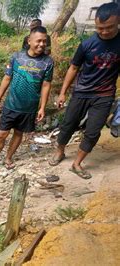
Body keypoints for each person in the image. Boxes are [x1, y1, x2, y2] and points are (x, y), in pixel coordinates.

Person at [49, 2, 120, 179]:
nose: (104, 32)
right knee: (68, 124)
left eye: (109, 27)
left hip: (104, 95)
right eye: (99, 28)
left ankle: (77, 163)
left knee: (93, 131)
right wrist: (63, 92)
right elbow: (73, 68)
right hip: (81, 92)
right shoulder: (87, 44)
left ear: (118, 21)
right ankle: (60, 151)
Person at [0, 26, 54, 172]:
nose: (42, 44)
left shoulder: (48, 62)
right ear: (29, 40)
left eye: (44, 41)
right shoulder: (17, 57)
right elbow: (7, 78)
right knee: (2, 134)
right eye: (38, 41)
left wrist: (42, 107)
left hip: (29, 107)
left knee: (18, 133)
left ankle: (9, 157)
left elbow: (46, 85)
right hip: (11, 104)